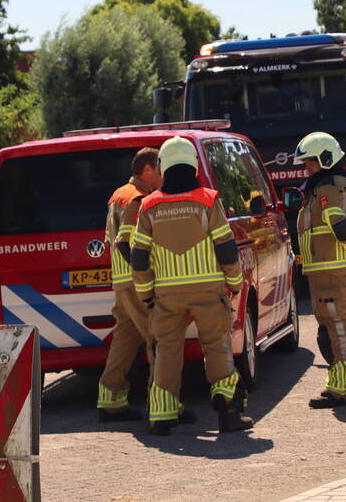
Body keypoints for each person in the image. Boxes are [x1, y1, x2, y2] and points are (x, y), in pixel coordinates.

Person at [129, 136, 253, 435]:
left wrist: (145, 293)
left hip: (167, 295)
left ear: (164, 166)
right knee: (216, 346)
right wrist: (235, 283)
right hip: (209, 291)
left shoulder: (149, 205)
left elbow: (139, 257)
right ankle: (227, 411)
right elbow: (226, 248)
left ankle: (161, 415)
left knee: (167, 350)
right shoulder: (208, 200)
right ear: (193, 164)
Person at [293, 131, 346, 408]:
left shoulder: (325, 187)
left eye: (311, 163)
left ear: (325, 159)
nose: (307, 168)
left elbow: (337, 222)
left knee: (334, 325)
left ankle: (339, 388)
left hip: (328, 269)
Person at [96, 148, 162, 421]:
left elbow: (110, 239)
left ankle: (110, 398)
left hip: (121, 282)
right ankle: (162, 402)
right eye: (160, 170)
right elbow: (128, 243)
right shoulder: (137, 199)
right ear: (147, 170)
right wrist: (145, 275)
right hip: (136, 283)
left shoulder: (118, 194)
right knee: (159, 338)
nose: (162, 176)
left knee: (125, 337)